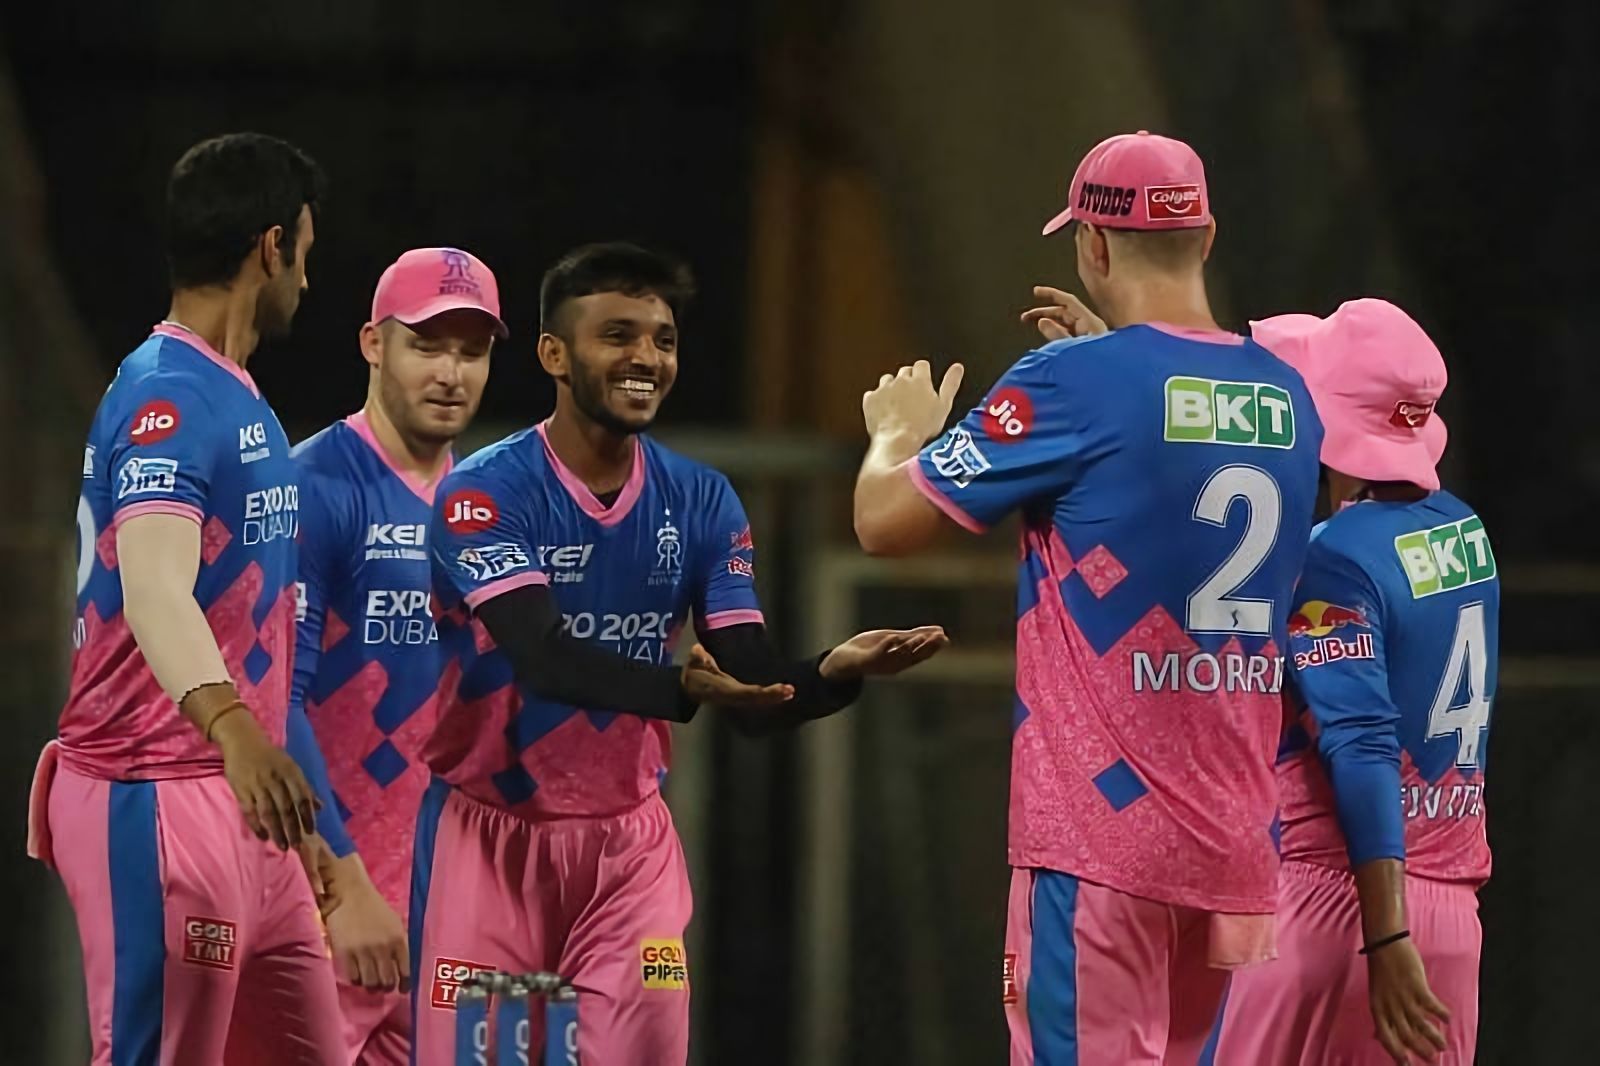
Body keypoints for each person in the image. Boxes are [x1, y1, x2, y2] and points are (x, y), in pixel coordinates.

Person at [409, 241, 948, 1064]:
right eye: (617, 335)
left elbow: (753, 688)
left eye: (662, 339)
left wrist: (834, 672)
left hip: (629, 858)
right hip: (493, 848)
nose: (646, 359)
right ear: (554, 355)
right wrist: (687, 687)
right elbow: (546, 661)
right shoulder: (485, 493)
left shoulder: (700, 499)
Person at [852, 131, 1325, 1065]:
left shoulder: (1067, 382)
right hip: (1233, 843)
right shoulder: (1288, 397)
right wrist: (1116, 363)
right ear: (1208, 235)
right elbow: (1169, 453)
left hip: (1100, 848)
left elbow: (884, 523)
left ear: (1094, 247)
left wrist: (896, 436)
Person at [26, 133, 347, 1065]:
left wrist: (290, 821)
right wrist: (238, 734)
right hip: (154, 789)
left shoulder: (231, 392)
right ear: (272, 246)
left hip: (243, 808)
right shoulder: (168, 396)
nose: (308, 282)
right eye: (308, 254)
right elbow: (154, 583)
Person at [1211, 299, 1497, 1065]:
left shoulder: (1328, 559)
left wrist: (1385, 932)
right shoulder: (1465, 533)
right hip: (1451, 924)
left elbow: (1361, 740)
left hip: (1339, 911)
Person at [287, 247, 506, 1063]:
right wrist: (345, 888)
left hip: (451, 916)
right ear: (373, 344)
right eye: (427, 344)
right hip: (324, 911)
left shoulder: (494, 505)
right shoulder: (311, 488)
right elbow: (270, 696)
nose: (451, 372)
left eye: (472, 350)